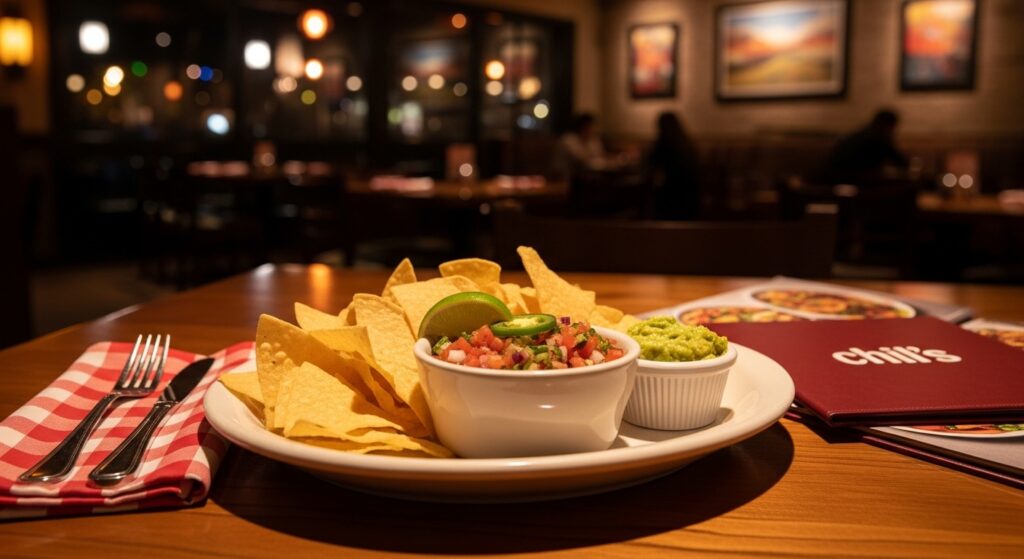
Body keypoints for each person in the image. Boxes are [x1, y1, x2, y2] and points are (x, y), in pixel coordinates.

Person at [824, 109, 909, 184]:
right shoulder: (879, 136)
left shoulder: (862, 132)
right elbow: (900, 161)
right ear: (889, 125)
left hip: (830, 176)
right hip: (844, 180)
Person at [648, 112, 701, 220]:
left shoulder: (663, 144)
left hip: (670, 196)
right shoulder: (686, 143)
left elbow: (652, 165)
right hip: (690, 198)